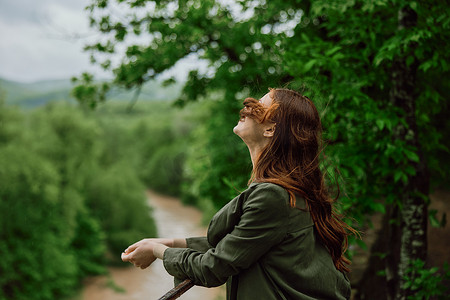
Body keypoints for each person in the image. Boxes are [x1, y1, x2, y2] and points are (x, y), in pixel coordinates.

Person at [122, 88, 356, 299]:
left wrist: (157, 251)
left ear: (271, 129)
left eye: (258, 107)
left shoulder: (273, 195)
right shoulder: (289, 190)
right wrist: (171, 242)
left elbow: (213, 268)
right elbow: (245, 243)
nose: (246, 106)